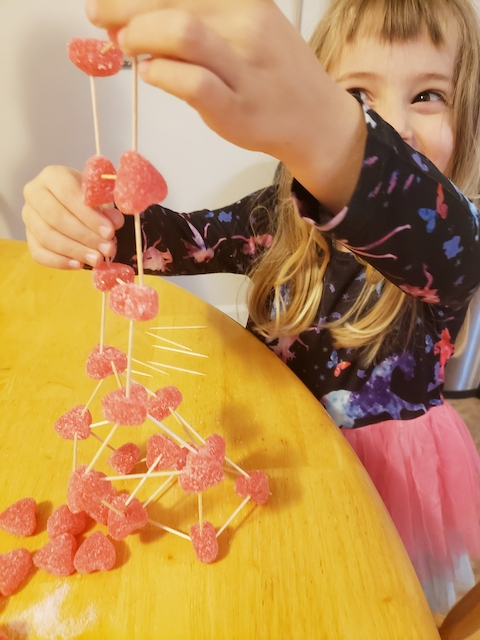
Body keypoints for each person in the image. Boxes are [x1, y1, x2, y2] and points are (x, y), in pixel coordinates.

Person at [22, 0, 480, 614]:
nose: (393, 124)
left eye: (428, 95)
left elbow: (448, 248)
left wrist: (333, 131)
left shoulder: (456, 238)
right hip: (275, 453)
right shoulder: (280, 216)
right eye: (356, 97)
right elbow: (174, 242)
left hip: (387, 492)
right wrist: (86, 220)